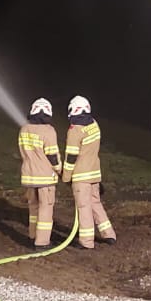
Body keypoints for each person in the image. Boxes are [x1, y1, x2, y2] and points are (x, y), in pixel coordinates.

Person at [63, 95, 117, 249]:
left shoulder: (75, 130)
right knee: (95, 203)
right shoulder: (94, 124)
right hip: (94, 173)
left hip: (81, 176)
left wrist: (66, 176)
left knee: (84, 207)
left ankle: (86, 242)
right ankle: (109, 234)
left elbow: (71, 156)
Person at [18, 97, 62, 246]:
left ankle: (32, 236)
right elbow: (52, 155)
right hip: (45, 178)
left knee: (33, 208)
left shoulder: (24, 129)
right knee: (45, 209)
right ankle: (42, 242)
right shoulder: (48, 131)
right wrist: (60, 170)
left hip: (29, 176)